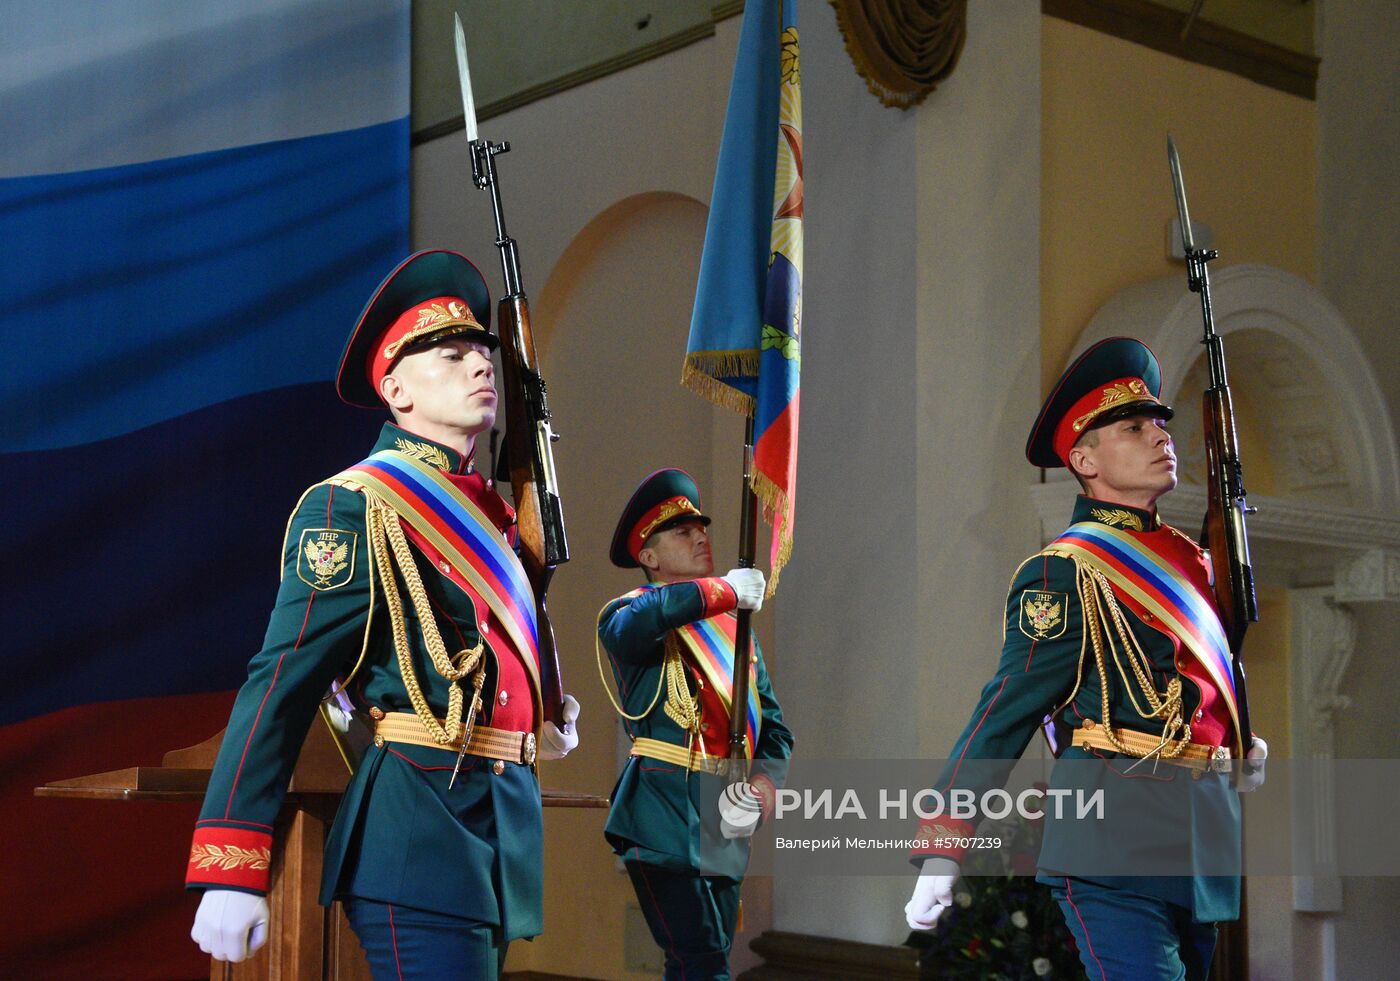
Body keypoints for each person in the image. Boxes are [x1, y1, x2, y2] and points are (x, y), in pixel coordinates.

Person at [186, 249, 580, 979]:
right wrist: (230, 859)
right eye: (453, 354)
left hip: (495, 831)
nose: (480, 366)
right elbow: (280, 681)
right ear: (395, 388)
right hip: (417, 836)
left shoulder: (493, 517)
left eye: (482, 354)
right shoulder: (351, 505)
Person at [904, 337, 1267, 980]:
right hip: (1112, 840)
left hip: (1202, 837)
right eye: (1133, 427)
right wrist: (944, 846)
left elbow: (1197, 685)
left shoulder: (1194, 559)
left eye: (1159, 424)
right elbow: (1006, 707)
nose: (1160, 437)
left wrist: (1237, 742)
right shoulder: (1061, 571)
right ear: (1083, 459)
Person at [597, 469, 794, 981]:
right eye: (683, 532)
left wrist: (764, 785)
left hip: (725, 811)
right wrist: (721, 591)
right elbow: (642, 622)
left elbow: (772, 728)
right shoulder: (628, 614)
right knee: (702, 962)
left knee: (704, 962)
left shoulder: (733, 630)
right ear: (649, 557)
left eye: (701, 528)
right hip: (662, 810)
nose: (702, 535)